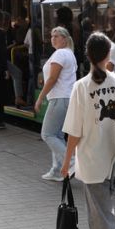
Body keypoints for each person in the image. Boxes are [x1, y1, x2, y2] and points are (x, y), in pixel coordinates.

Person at [60, 32, 115, 229]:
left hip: (92, 162)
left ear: (87, 56)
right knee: (99, 215)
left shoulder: (81, 87)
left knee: (105, 220)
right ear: (108, 55)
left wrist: (66, 163)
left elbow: (74, 133)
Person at [33, 27, 78, 181]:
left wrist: (40, 97)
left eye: (57, 36)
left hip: (59, 98)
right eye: (51, 36)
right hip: (67, 99)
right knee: (57, 135)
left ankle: (71, 162)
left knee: (47, 134)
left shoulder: (60, 53)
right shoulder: (69, 54)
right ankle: (57, 170)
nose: (53, 38)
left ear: (65, 39)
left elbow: (52, 79)